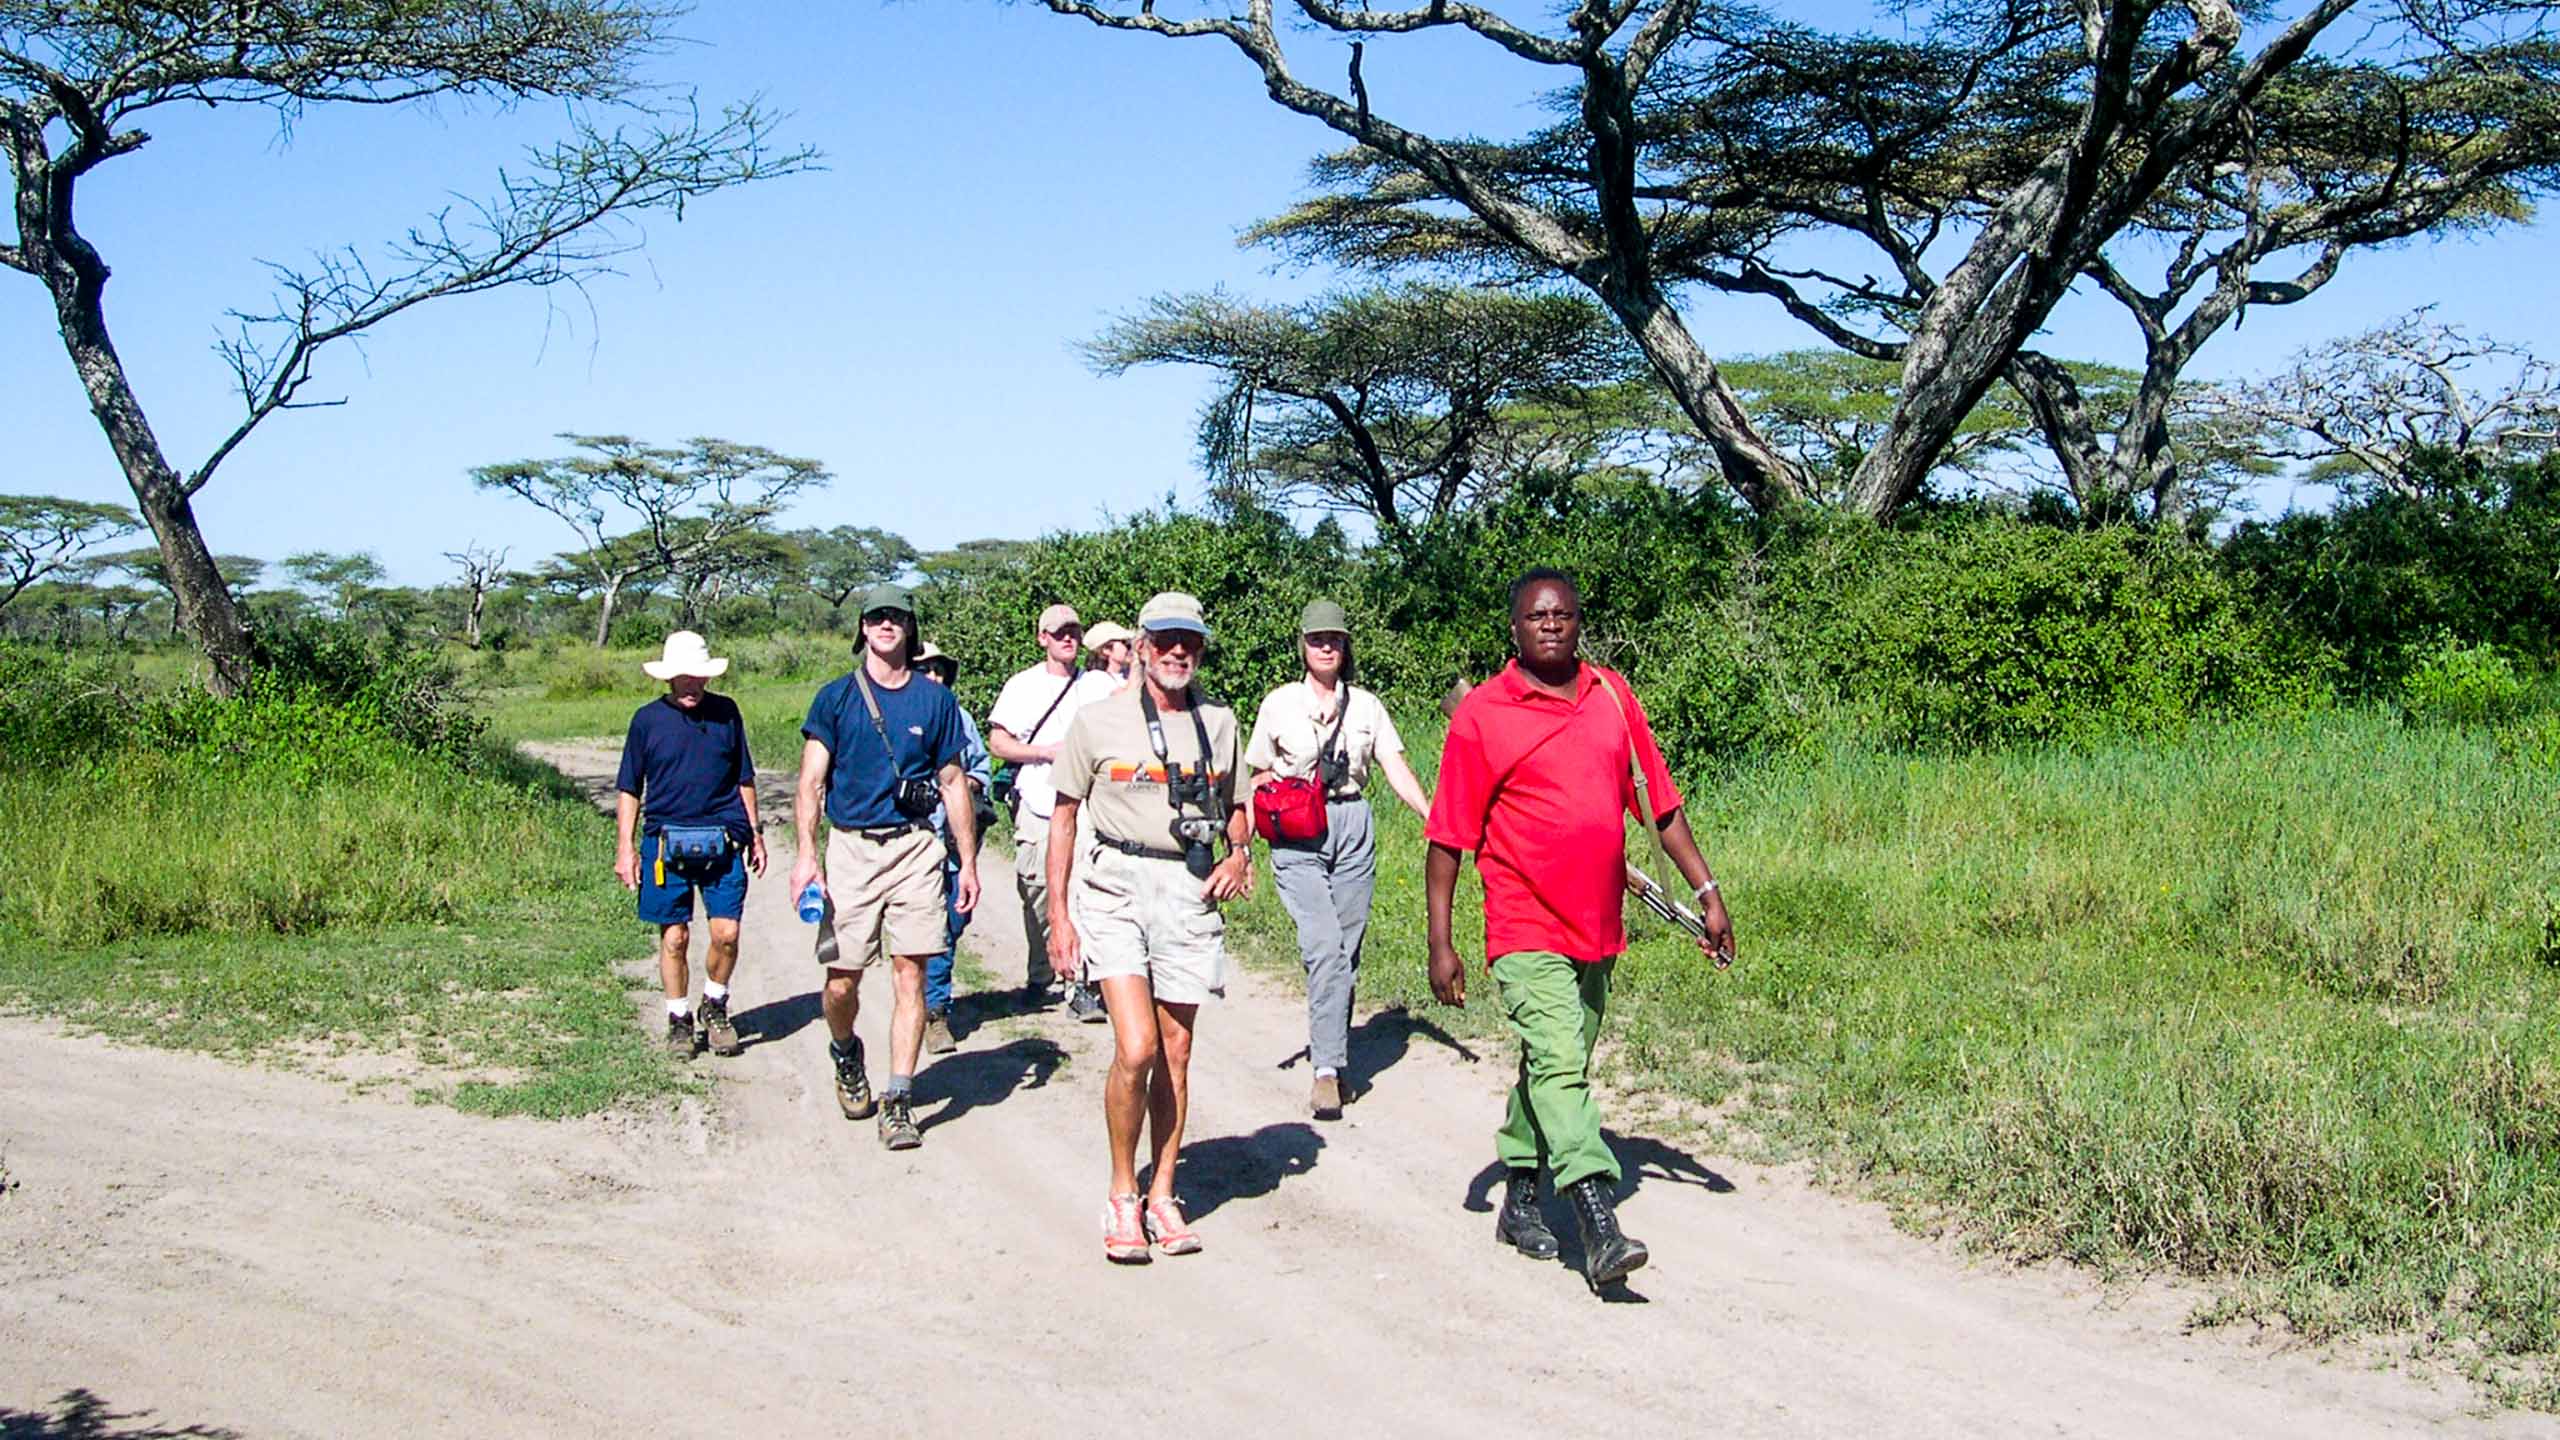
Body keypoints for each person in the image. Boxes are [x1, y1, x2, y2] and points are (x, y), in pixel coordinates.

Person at [1423, 568, 1737, 1293]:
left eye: (1563, 614)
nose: (1552, 625)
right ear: (1514, 629)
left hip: (1598, 922)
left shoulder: (1613, 698)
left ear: (1579, 622)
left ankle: (1522, 1197)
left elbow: (1659, 804)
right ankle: (1597, 1221)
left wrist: (1708, 890)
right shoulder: (1483, 715)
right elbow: (1447, 838)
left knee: (1556, 1064)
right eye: (1537, 616)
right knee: (1561, 1061)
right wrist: (1442, 942)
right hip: (1522, 919)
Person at [1047, 592, 1252, 1263]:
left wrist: (1240, 854)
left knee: (1177, 1049)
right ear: (1140, 647)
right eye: (1164, 640)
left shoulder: (1219, 723)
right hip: (1113, 884)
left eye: (1188, 642)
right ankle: (1121, 1192)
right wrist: (1059, 914)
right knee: (1136, 1047)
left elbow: (1237, 804)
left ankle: (1163, 1192)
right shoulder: (1097, 720)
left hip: (1187, 888)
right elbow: (1066, 816)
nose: (1176, 653)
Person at [789, 585, 981, 1151]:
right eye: (876, 617)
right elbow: (810, 782)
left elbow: (952, 783)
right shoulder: (836, 698)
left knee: (910, 974)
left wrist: (966, 861)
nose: (886, 626)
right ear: (863, 628)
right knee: (842, 980)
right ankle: (846, 1052)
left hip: (917, 850)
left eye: (896, 617)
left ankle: (898, 1098)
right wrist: (806, 854)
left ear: (910, 628)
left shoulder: (935, 701)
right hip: (850, 848)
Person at [1243, 598, 1430, 1119]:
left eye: (1334, 638)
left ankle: (1334, 1054)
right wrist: (1248, 836)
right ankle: (1326, 1071)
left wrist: (1430, 815)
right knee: (1324, 947)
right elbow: (1253, 773)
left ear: (1346, 646)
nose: (1325, 646)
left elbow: (1393, 765)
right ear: (1301, 645)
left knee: (1346, 951)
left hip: (1352, 825)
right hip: (1299, 830)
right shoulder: (1278, 703)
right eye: (1316, 638)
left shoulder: (1367, 705)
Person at [614, 631, 767, 1060]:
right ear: (668, 679)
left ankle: (715, 1005)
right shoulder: (646, 721)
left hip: (723, 841)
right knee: (675, 938)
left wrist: (754, 834)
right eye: (683, 677)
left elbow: (744, 777)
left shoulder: (727, 713)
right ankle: (679, 1019)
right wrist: (625, 850)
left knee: (727, 933)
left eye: (697, 676)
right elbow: (629, 787)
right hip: (665, 844)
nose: (691, 684)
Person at [986, 604, 1086, 1009]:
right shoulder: (1022, 685)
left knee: (1082, 891)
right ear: (1042, 638)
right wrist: (1044, 752)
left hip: (1087, 808)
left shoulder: (1094, 684)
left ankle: (1078, 983)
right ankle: (1040, 972)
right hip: (1039, 802)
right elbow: (999, 742)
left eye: (1074, 632)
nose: (1068, 639)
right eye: (1059, 632)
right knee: (1038, 890)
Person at [913, 642, 994, 1055]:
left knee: (952, 923)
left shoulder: (960, 718)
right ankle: (932, 1011)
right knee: (925, 929)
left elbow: (980, 768)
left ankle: (930, 1001)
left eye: (939, 670)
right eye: (924, 669)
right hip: (909, 842)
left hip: (953, 841)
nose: (933, 677)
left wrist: (962, 787)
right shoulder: (896, 716)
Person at [1080, 620, 1136, 689]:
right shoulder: (1095, 680)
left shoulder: (1125, 675)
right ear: (1107, 649)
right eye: (1124, 643)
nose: (1130, 647)